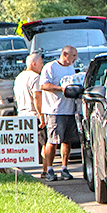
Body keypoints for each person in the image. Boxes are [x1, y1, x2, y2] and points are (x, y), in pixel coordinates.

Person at [40, 45, 79, 182]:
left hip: (69, 109)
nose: (75, 58)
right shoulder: (50, 68)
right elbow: (44, 85)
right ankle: (49, 169)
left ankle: (64, 168)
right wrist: (61, 89)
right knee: (53, 140)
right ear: (65, 54)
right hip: (55, 110)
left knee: (67, 141)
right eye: (73, 55)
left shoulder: (71, 68)